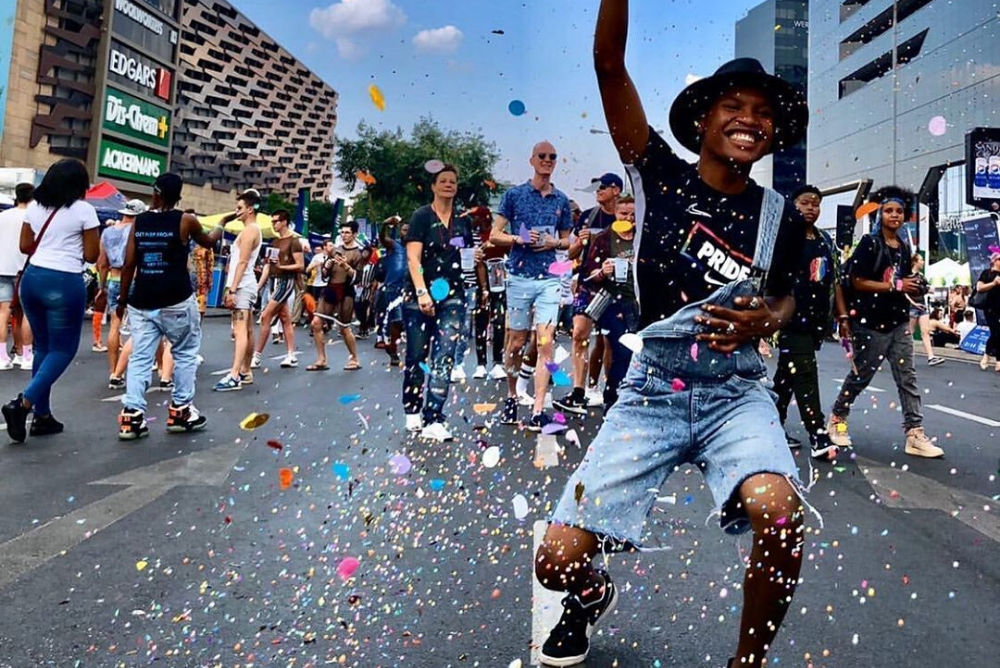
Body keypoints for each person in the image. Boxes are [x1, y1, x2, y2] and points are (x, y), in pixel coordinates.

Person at [535, 3, 812, 665]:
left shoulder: (782, 218)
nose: (751, 118)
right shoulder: (657, 175)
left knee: (779, 511)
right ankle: (589, 592)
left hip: (734, 396)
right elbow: (608, 66)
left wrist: (766, 319)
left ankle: (747, 662)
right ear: (703, 119)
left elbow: (790, 297)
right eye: (734, 105)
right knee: (556, 560)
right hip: (651, 395)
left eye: (764, 112)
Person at [827, 187, 942, 458]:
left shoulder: (903, 247)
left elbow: (901, 283)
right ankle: (837, 419)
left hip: (899, 322)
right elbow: (856, 281)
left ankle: (914, 433)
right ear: (880, 214)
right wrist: (897, 285)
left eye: (899, 211)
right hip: (870, 324)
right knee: (861, 376)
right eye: (889, 210)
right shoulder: (869, 242)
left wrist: (915, 287)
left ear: (905, 216)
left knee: (907, 379)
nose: (894, 215)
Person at [115, 173, 225, 440]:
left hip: (142, 299)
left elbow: (129, 263)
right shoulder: (185, 220)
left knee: (140, 356)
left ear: (155, 194)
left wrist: (122, 299)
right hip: (176, 299)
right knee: (185, 352)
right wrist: (221, 224)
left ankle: (131, 417)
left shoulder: (139, 222)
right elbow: (209, 242)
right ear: (178, 197)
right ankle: (180, 410)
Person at [2, 160, 100, 442]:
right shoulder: (84, 210)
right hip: (64, 281)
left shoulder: (34, 207)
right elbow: (92, 255)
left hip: (33, 279)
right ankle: (23, 404)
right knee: (63, 349)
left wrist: (48, 247)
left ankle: (42, 416)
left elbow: (24, 246)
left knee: (43, 346)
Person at [490, 142, 574, 431]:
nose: (547, 161)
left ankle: (538, 408)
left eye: (552, 157)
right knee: (515, 342)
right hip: (519, 277)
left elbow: (570, 243)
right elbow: (494, 235)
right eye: (542, 156)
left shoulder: (561, 200)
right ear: (532, 160)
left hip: (550, 278)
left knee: (546, 343)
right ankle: (512, 396)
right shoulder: (514, 195)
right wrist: (520, 239)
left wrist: (555, 243)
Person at [771, 185, 847, 460]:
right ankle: (817, 434)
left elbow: (835, 280)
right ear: (793, 206)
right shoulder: (783, 237)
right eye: (805, 203)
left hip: (816, 320)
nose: (811, 209)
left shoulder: (825, 240)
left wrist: (842, 316)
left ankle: (770, 426)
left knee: (785, 378)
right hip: (789, 318)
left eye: (816, 204)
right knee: (804, 372)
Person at [402, 164, 473, 442]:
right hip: (419, 293)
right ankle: (412, 408)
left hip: (453, 295)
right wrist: (421, 292)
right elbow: (413, 258)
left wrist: (476, 266)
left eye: (452, 181)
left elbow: (466, 256)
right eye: (442, 181)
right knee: (417, 355)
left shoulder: (462, 221)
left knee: (444, 357)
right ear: (433, 186)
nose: (448, 185)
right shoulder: (421, 216)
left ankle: (435, 417)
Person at [572, 195, 639, 413]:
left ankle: (628, 397)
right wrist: (602, 271)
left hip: (636, 301)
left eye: (633, 215)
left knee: (636, 351)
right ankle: (611, 399)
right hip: (610, 300)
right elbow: (589, 272)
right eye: (624, 214)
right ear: (616, 214)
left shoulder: (642, 237)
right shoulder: (604, 238)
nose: (629, 218)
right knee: (621, 348)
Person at [214, 190, 263, 392]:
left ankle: (235, 375)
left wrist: (232, 289)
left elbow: (242, 262)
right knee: (247, 330)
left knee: (240, 330)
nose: (237, 212)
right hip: (244, 284)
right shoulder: (250, 230)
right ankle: (245, 371)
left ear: (250, 209)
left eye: (240, 208)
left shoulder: (251, 230)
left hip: (243, 285)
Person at [98, 199, 146, 389]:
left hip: (114, 279)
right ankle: (121, 370)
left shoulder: (108, 232)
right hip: (134, 279)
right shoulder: (137, 232)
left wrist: (102, 287)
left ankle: (113, 370)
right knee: (139, 327)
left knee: (114, 326)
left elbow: (102, 263)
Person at [307, 220, 367, 371]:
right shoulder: (335, 250)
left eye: (347, 232)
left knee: (344, 328)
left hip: (346, 291)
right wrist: (327, 266)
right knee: (316, 323)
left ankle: (354, 358)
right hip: (330, 288)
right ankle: (321, 359)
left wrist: (346, 266)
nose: (344, 235)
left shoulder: (358, 254)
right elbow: (326, 274)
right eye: (342, 232)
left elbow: (357, 278)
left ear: (354, 234)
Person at [251, 210, 304, 369]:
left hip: (286, 281)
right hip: (275, 281)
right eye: (272, 221)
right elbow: (268, 266)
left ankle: (257, 355)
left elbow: (300, 265)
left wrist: (282, 267)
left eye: (276, 221)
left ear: (285, 222)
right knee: (285, 318)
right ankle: (291, 355)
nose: (274, 224)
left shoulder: (294, 241)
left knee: (266, 315)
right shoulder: (274, 242)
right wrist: (258, 286)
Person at [0, 183, 33, 372]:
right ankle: (26, 356)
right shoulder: (31, 217)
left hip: (2, 267)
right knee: (28, 312)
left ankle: (3, 356)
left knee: (3, 313)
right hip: (25, 269)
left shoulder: (2, 216)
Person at [376, 216, 409, 366]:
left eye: (410, 230)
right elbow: (383, 238)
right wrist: (384, 225)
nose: (407, 232)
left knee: (407, 322)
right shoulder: (394, 246)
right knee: (398, 320)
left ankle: (393, 346)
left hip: (412, 288)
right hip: (393, 289)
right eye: (404, 230)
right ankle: (394, 351)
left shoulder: (418, 247)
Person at [905, 253, 944, 366]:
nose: (922, 262)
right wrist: (913, 303)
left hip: (922, 306)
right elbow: (905, 293)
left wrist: (929, 289)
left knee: (925, 331)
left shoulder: (921, 276)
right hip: (912, 306)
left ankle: (931, 357)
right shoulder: (908, 276)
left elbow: (928, 288)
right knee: (909, 332)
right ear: (915, 262)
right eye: (921, 260)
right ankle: (906, 355)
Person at [974, 250, 1000, 371]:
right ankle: (988, 355)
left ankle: (995, 359)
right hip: (990, 307)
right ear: (994, 261)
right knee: (996, 333)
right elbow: (979, 287)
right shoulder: (987, 273)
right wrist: (994, 283)